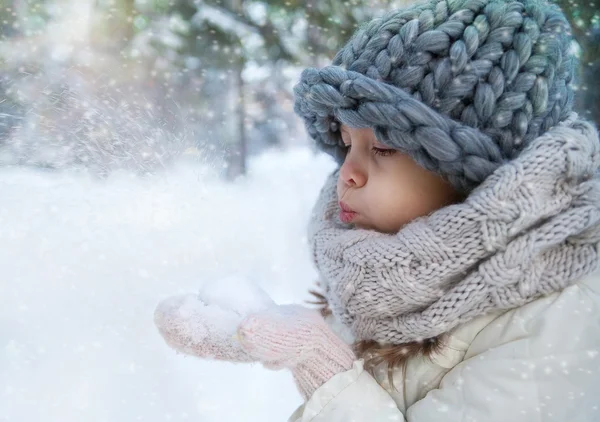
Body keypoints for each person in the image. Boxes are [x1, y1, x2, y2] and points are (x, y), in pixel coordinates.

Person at [153, 0, 600, 420]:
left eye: (383, 148)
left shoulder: (563, 319)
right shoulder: (388, 275)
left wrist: (318, 362)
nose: (346, 172)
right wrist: (261, 331)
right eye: (347, 143)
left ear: (479, 175)